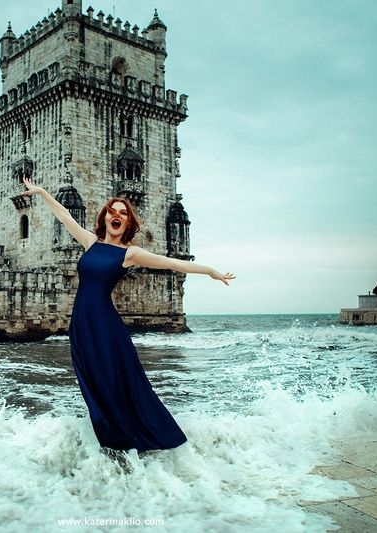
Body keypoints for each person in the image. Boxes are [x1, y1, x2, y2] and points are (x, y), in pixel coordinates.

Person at [22, 178, 235, 453]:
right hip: (81, 325)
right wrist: (41, 192)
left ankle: (138, 440)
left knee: (119, 381)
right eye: (113, 211)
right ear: (106, 216)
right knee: (93, 381)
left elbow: (171, 263)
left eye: (123, 213)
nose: (117, 216)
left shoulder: (130, 253)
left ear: (128, 221)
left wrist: (209, 271)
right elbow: (64, 215)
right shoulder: (91, 242)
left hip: (106, 326)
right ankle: (113, 439)